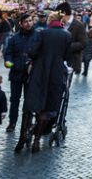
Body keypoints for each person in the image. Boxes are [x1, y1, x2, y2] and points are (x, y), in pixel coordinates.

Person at [16, 8, 73, 153]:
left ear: (50, 21)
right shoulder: (67, 35)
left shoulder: (43, 33)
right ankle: (36, 140)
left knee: (30, 105)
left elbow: (33, 52)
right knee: (46, 109)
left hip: (40, 72)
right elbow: (67, 55)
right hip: (56, 73)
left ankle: (22, 138)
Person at [3, 13, 39, 133]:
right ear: (21, 24)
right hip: (16, 73)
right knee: (14, 99)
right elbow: (8, 53)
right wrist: (8, 61)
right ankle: (12, 122)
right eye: (25, 22)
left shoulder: (38, 36)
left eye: (30, 21)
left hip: (31, 73)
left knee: (29, 100)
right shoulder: (15, 38)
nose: (28, 23)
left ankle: (27, 122)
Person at [66, 9, 88, 76]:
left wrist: (67, 46)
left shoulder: (80, 25)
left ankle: (83, 70)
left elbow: (83, 43)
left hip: (72, 58)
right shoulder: (59, 23)